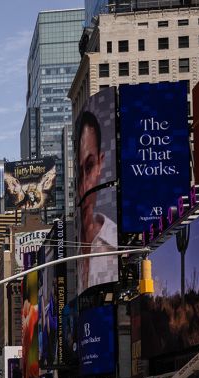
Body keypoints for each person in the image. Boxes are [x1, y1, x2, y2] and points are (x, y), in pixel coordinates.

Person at [74, 109, 118, 294]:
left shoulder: (116, 244)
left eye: (90, 166)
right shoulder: (72, 250)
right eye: (79, 170)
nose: (84, 183)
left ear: (100, 164)